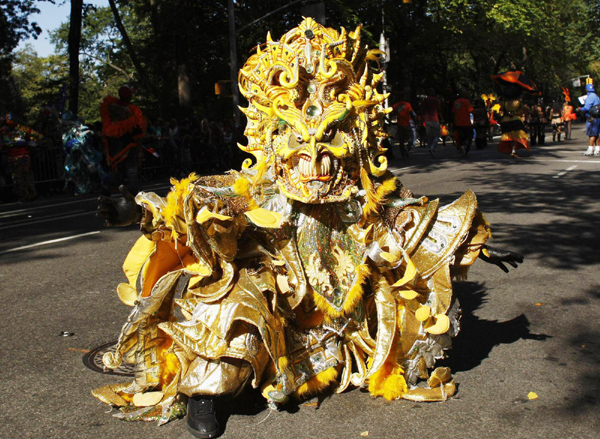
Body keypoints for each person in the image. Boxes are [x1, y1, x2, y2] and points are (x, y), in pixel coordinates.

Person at [94, 19, 523, 438]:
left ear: (357, 139)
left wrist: (473, 243)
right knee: (233, 299)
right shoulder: (262, 189)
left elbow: (410, 212)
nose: (316, 162)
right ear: (273, 142)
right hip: (284, 300)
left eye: (331, 137)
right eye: (299, 141)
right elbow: (213, 198)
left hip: (351, 310)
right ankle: (207, 394)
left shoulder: (364, 192)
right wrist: (147, 210)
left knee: (419, 297)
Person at [100, 85, 147, 195]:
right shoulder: (132, 112)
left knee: (119, 170)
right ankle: (133, 194)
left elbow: (106, 130)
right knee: (132, 171)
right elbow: (138, 133)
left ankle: (107, 187)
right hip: (128, 146)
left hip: (114, 147)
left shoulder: (110, 108)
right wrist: (139, 149)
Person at [491, 71, 540, 157]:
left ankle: (510, 149)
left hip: (505, 120)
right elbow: (523, 111)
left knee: (508, 136)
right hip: (516, 120)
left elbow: (502, 110)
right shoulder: (518, 102)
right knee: (516, 137)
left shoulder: (505, 102)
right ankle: (513, 150)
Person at [419, 88, 443, 158]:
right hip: (435, 119)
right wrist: (442, 118)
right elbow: (439, 110)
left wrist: (421, 120)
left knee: (429, 136)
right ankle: (433, 147)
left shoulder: (424, 101)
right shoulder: (436, 100)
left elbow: (422, 111)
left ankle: (430, 148)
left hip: (427, 120)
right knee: (437, 135)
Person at [391, 91, 416, 159]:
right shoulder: (407, 104)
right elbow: (411, 113)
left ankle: (403, 153)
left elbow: (393, 113)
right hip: (406, 124)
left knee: (401, 140)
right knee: (411, 137)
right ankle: (407, 149)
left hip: (399, 124)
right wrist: (415, 121)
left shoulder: (395, 105)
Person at [579, 82, 600, 156]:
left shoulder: (590, 97)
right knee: (597, 133)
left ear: (587, 90)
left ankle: (590, 150)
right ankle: (597, 149)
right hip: (597, 117)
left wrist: (580, 109)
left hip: (591, 117)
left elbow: (587, 108)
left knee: (591, 134)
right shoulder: (596, 97)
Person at [452, 89, 474, 156]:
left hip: (458, 123)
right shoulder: (466, 101)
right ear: (463, 94)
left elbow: (453, 112)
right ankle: (465, 147)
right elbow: (471, 110)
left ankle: (461, 147)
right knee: (469, 136)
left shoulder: (456, 102)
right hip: (466, 123)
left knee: (461, 136)